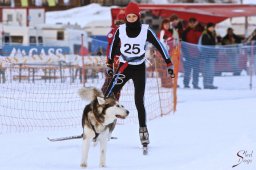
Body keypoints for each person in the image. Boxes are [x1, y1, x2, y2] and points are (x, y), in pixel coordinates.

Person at [104, 2, 174, 148]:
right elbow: (112, 47)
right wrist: (110, 64)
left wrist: (168, 63)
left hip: (138, 68)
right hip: (124, 67)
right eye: (128, 16)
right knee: (108, 96)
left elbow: (159, 45)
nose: (130, 18)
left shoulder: (145, 30)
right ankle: (102, 127)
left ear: (138, 16)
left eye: (133, 16)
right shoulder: (120, 30)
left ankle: (143, 131)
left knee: (139, 101)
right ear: (125, 17)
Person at [101, 11, 126, 100]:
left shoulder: (113, 30)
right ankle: (112, 103)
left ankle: (102, 101)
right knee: (116, 83)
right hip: (117, 60)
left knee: (108, 82)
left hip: (111, 59)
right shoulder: (121, 31)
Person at [181, 17, 203, 89]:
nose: (192, 24)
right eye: (191, 22)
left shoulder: (199, 30)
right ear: (189, 23)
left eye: (194, 22)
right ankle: (186, 84)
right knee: (187, 70)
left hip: (197, 54)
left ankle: (195, 84)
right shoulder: (185, 32)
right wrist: (185, 54)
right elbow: (183, 44)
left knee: (196, 70)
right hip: (188, 54)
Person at [201, 23, 218, 89]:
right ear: (208, 27)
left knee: (211, 70)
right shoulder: (205, 35)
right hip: (207, 56)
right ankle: (206, 83)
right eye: (211, 27)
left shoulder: (213, 34)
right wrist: (206, 56)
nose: (213, 28)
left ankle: (210, 83)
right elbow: (205, 46)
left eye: (213, 27)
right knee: (207, 70)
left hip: (212, 55)